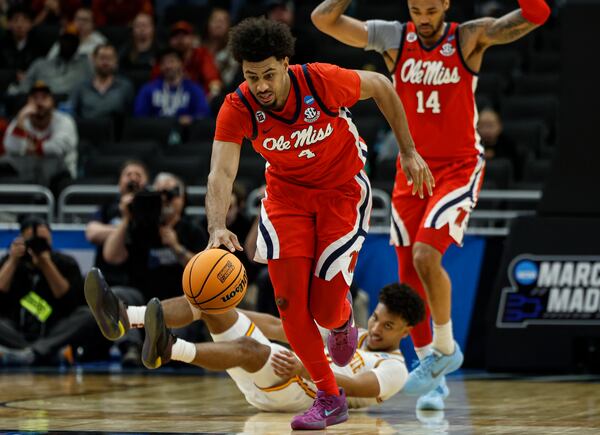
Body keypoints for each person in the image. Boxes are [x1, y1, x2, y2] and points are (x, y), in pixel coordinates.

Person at [311, 0, 551, 410]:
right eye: (416, 9)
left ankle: (444, 349)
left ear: (444, 5)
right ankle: (434, 375)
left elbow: (534, 17)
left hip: (458, 166)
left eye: (429, 9)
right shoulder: (393, 37)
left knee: (425, 256)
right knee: (407, 282)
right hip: (413, 168)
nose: (422, 18)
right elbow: (323, 21)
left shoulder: (466, 36)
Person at [204, 17, 432, 430]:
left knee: (325, 308)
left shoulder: (320, 81)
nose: (261, 85)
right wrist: (216, 226)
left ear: (286, 63)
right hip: (287, 198)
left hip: (341, 192)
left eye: (269, 74)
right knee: (289, 303)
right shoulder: (238, 107)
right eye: (252, 76)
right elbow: (220, 173)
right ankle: (329, 396)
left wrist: (409, 151)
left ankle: (342, 320)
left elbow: (382, 85)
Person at [84, 268, 425, 412]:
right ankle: (124, 317)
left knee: (251, 350)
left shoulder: (396, 369)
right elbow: (282, 327)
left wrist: (308, 370)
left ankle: (169, 349)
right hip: (291, 378)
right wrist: (237, 312)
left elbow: (356, 385)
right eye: (377, 317)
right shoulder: (353, 335)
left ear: (406, 332)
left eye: (389, 325)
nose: (377, 327)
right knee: (210, 302)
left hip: (306, 395)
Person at [0, 216, 95, 365]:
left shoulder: (65, 263)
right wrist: (13, 261)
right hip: (16, 332)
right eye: (33, 241)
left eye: (43, 241)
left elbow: (69, 300)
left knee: (87, 315)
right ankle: (41, 353)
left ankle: (31, 353)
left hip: (54, 332)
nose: (38, 246)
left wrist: (45, 263)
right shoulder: (10, 262)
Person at [103, 172, 208, 302]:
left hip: (182, 298)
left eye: (171, 194)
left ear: (183, 199)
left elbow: (204, 272)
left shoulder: (193, 230)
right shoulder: (140, 227)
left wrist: (177, 248)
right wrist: (126, 218)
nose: (165, 199)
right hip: (141, 298)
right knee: (113, 295)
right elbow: (111, 256)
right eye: (159, 194)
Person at [3, 81, 78, 192]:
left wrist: (30, 148)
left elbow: (58, 148)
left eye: (44, 97)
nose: (39, 102)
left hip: (58, 180)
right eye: (35, 98)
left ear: (52, 101)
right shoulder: (21, 121)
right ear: (28, 102)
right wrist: (20, 121)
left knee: (62, 181)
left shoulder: (64, 121)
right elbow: (11, 148)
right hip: (27, 179)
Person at [134, 48, 211, 122]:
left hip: (185, 131)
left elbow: (203, 114)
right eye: (163, 63)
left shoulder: (194, 89)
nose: (168, 66)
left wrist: (191, 120)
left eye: (172, 61)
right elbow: (139, 116)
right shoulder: (148, 89)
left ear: (181, 63)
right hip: (156, 132)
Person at [15, 24, 92, 96]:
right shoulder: (40, 64)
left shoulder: (85, 66)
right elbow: (23, 90)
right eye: (66, 39)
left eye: (72, 40)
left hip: (72, 106)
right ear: (59, 41)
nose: (68, 44)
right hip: (42, 104)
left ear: (78, 44)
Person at [151, 21, 222, 99]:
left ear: (192, 38)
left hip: (200, 102)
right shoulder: (164, 59)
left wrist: (212, 96)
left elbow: (213, 79)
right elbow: (153, 83)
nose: (180, 39)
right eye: (175, 36)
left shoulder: (201, 54)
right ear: (170, 41)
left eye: (184, 35)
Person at [71, 43, 134, 120]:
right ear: (93, 60)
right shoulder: (80, 87)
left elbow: (131, 116)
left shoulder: (125, 87)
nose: (105, 62)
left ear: (116, 61)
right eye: (102, 58)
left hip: (115, 130)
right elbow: (71, 115)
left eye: (109, 58)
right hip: (87, 129)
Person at [0, 6, 44, 83]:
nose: (20, 25)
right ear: (8, 24)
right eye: (15, 20)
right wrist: (13, 74)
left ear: (31, 24)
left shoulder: (38, 46)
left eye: (24, 21)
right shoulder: (2, 45)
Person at [478, 107, 520, 179]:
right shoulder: (472, 145)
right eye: (482, 126)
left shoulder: (509, 145)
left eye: (490, 126)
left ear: (499, 126)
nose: (486, 130)